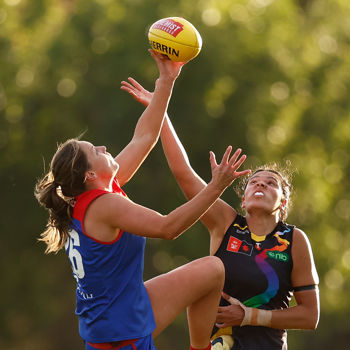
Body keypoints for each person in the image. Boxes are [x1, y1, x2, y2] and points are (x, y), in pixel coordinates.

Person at [34, 50, 251, 350]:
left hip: (120, 312)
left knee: (213, 271)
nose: (102, 146)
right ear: (88, 176)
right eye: (94, 151)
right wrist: (216, 186)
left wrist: (166, 80)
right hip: (121, 337)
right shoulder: (105, 206)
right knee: (212, 270)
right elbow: (168, 228)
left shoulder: (97, 194)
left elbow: (144, 137)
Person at [121, 78, 320, 350]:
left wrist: (249, 316)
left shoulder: (294, 239)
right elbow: (183, 173)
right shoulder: (225, 223)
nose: (260, 183)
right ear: (243, 198)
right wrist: (160, 110)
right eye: (254, 181)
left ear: (283, 202)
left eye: (271, 182)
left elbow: (310, 316)